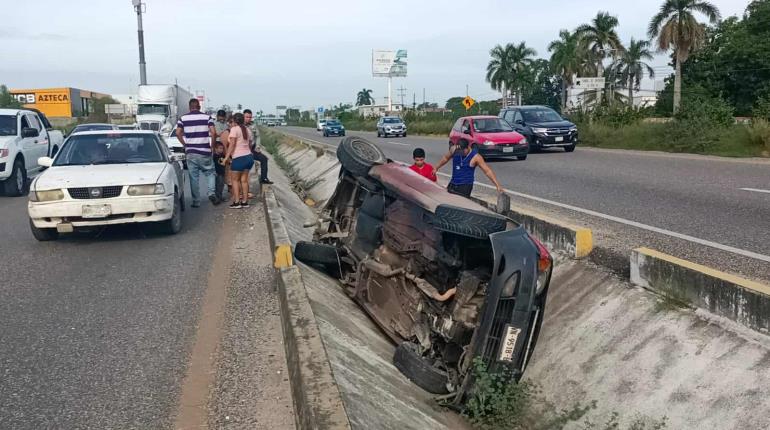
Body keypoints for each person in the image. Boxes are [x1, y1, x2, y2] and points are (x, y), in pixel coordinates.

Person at [177, 98, 219, 206]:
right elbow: (214, 133)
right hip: (205, 151)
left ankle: (196, 201)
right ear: (199, 107)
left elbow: (178, 133)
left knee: (193, 178)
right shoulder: (207, 118)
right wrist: (212, 147)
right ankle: (211, 193)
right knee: (210, 173)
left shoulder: (183, 118)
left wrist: (185, 144)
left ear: (189, 107)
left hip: (191, 152)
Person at [433, 140, 503, 197]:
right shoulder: (454, 150)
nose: (460, 153)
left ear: (467, 148)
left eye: (462, 151)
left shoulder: (476, 157)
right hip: (453, 183)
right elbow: (445, 158)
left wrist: (497, 185)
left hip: (465, 185)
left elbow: (487, 171)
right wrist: (436, 168)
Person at [225, 112, 254, 209]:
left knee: (235, 181)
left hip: (238, 158)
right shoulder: (248, 130)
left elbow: (232, 144)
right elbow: (250, 145)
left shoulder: (234, 130)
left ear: (234, 121)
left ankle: (237, 202)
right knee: (244, 181)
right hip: (248, 157)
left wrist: (226, 157)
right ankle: (245, 202)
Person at [244, 109, 273, 185]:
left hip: (253, 149)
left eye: (250, 117)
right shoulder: (239, 126)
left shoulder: (253, 125)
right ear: (243, 116)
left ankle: (264, 178)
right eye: (246, 117)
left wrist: (257, 147)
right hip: (243, 150)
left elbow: (258, 136)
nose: (248, 119)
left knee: (264, 159)